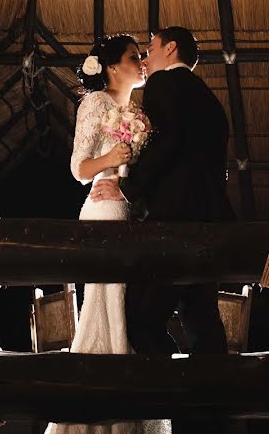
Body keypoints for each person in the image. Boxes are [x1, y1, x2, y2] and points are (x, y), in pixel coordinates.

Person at [91, 26, 233, 434]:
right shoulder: (208, 99)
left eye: (150, 48)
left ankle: (176, 399)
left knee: (141, 317)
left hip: (175, 219)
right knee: (201, 317)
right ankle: (213, 414)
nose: (146, 58)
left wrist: (128, 184)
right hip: (211, 219)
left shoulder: (165, 84)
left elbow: (165, 144)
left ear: (170, 48)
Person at [46, 34, 169, 434]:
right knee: (109, 300)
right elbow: (78, 168)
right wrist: (112, 160)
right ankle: (105, 410)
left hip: (130, 208)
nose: (143, 61)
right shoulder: (96, 104)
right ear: (113, 67)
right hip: (105, 206)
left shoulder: (135, 110)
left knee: (131, 303)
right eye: (135, 57)